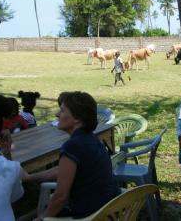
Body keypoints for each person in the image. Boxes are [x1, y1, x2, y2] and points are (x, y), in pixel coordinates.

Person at [25, 91, 120, 220]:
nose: (57, 114)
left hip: (91, 216)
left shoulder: (73, 146)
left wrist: (41, 218)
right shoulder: (91, 139)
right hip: (111, 210)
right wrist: (29, 177)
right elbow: (62, 171)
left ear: (77, 118)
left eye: (62, 111)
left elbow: (60, 197)